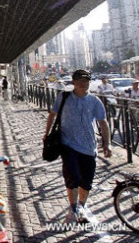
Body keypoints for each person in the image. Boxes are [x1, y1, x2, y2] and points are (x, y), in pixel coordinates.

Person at [43, 69, 112, 224]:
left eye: (87, 81)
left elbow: (103, 123)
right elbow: (52, 114)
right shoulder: (63, 97)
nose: (84, 83)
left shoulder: (95, 101)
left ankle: (81, 207)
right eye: (80, 80)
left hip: (89, 147)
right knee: (72, 176)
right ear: (73, 82)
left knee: (86, 182)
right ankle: (73, 209)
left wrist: (107, 144)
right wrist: (46, 134)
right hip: (68, 145)